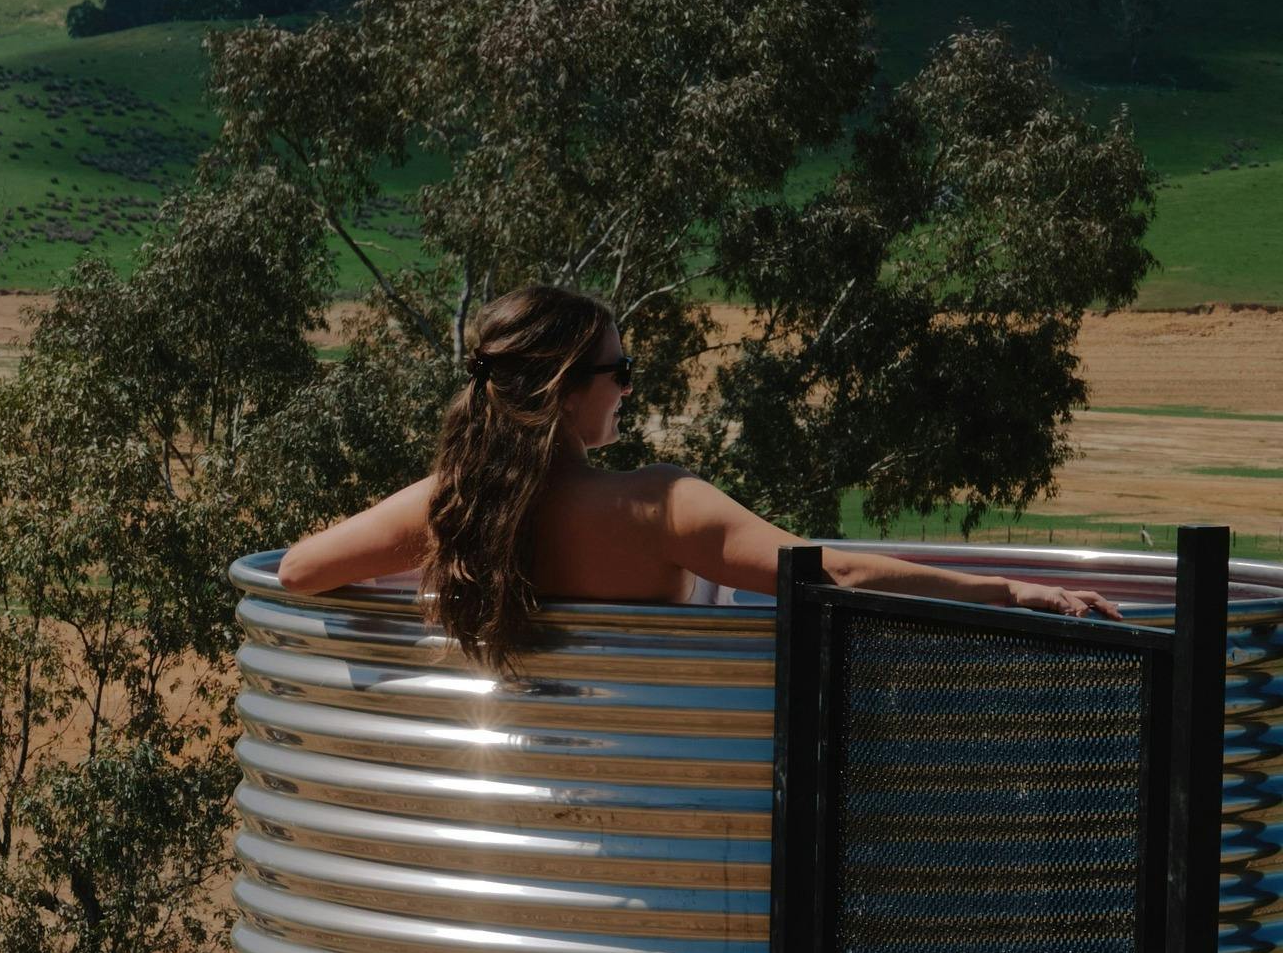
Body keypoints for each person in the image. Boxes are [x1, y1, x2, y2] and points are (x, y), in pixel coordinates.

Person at [276, 284, 1118, 667]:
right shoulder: (662, 506)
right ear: (569, 394)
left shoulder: (448, 506)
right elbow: (835, 572)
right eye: (619, 368)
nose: (630, 385)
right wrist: (1010, 595)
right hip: (655, 804)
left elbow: (300, 571)